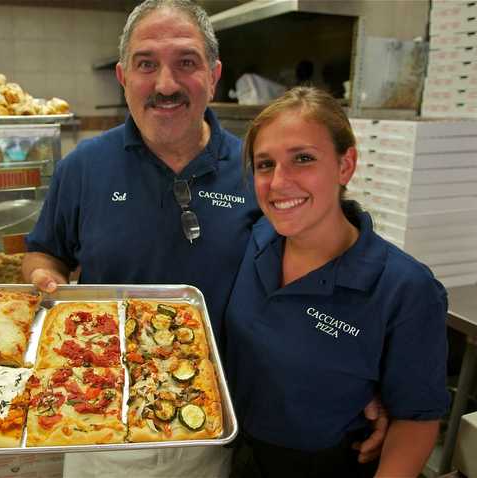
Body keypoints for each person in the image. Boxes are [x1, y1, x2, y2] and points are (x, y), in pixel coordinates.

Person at [23, 1, 387, 476]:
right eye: (146, 64)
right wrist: (45, 279)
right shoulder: (83, 167)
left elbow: (326, 267)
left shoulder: (260, 171)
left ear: (214, 75)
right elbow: (43, 252)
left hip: (214, 430)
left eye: (186, 63)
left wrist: (366, 372)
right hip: (95, 422)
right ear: (122, 76)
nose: (166, 85)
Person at [224, 86, 449, 478]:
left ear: (345, 166)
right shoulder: (256, 239)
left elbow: (417, 420)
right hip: (242, 457)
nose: (279, 182)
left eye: (303, 159)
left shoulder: (404, 289)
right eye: (265, 164)